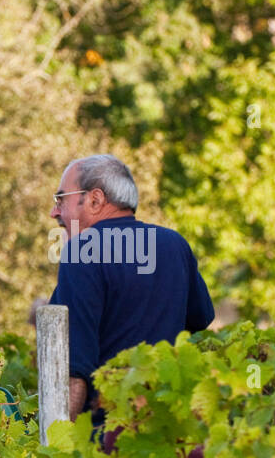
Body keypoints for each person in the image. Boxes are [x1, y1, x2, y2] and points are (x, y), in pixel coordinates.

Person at [48, 154, 214, 424]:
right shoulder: (174, 245)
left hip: (106, 443)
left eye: (60, 199)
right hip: (169, 435)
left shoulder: (81, 252)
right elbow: (201, 318)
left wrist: (52, 454)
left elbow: (73, 371)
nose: (54, 212)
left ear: (95, 200)